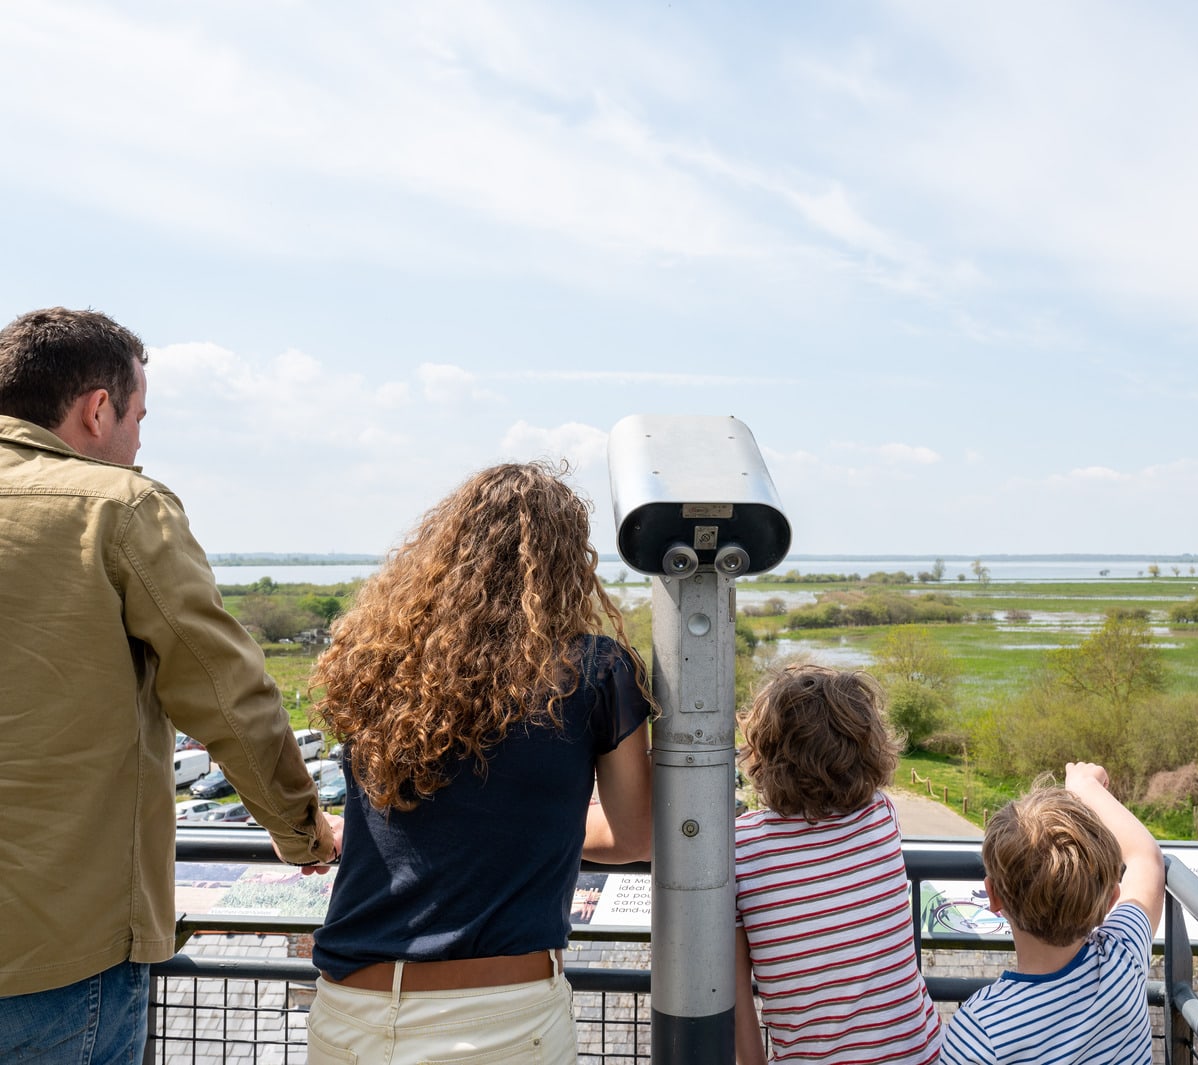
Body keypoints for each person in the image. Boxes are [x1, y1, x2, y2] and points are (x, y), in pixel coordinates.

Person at [0, 307, 342, 1062]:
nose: (139, 440)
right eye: (139, 416)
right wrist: (302, 829)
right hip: (55, 946)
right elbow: (226, 693)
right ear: (97, 409)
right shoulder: (116, 508)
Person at [308, 461, 653, 1064]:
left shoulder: (378, 666)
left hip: (350, 1015)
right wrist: (540, 834)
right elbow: (634, 835)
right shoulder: (594, 673)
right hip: (501, 1020)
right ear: (567, 566)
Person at [733, 665, 941, 1065]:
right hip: (920, 1053)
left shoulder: (742, 848)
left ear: (765, 753)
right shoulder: (880, 816)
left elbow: (736, 988)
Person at [938, 763, 1166, 1065]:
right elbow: (1146, 858)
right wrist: (1085, 786)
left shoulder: (980, 1029)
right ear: (1112, 900)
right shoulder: (1122, 959)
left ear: (992, 896)